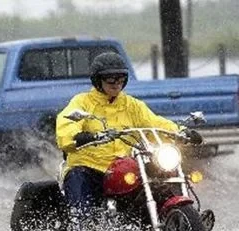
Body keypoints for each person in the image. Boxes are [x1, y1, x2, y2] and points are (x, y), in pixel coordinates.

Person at [56, 52, 201, 221]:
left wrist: (180, 131)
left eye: (120, 78)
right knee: (78, 179)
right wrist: (80, 137)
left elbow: (154, 123)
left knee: (158, 177)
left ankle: (179, 218)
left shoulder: (131, 105)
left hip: (121, 167)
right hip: (90, 167)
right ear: (97, 80)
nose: (116, 83)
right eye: (110, 79)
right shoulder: (82, 102)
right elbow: (66, 124)